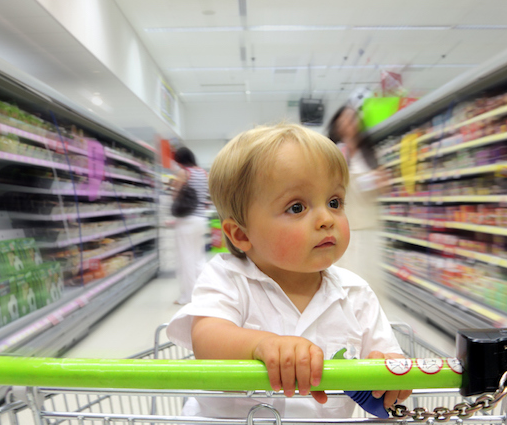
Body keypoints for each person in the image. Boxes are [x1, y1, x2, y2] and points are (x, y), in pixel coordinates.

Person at [167, 124, 410, 419]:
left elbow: (389, 358)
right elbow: (207, 340)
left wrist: (389, 374)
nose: (326, 219)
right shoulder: (227, 278)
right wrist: (262, 346)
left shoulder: (355, 293)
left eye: (334, 202)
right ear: (241, 234)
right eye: (297, 207)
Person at [327, 105, 389, 296]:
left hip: (369, 224)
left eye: (352, 119)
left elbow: (384, 185)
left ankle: (369, 320)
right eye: (344, 120)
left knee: (369, 278)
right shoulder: (333, 151)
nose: (348, 123)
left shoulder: (368, 153)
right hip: (343, 224)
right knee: (344, 277)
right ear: (337, 125)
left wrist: (380, 180)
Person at [171, 147, 209, 305]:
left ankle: (188, 297)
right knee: (199, 258)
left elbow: (175, 194)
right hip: (201, 220)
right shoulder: (204, 173)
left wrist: (174, 186)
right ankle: (203, 293)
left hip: (186, 220)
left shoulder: (184, 173)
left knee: (186, 259)